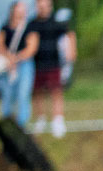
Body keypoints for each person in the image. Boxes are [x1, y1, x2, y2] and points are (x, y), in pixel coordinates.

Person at [27, 0, 75, 137]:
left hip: (54, 64)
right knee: (37, 92)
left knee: (56, 91)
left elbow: (69, 34)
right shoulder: (32, 24)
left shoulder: (56, 21)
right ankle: (40, 119)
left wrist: (71, 51)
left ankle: (58, 120)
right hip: (37, 64)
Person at [0, 0, 38, 128]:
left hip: (24, 64)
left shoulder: (29, 28)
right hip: (7, 66)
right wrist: (9, 58)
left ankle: (22, 124)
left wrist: (17, 58)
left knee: (23, 93)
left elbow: (32, 48)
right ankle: (7, 122)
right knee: (7, 94)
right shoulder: (5, 27)